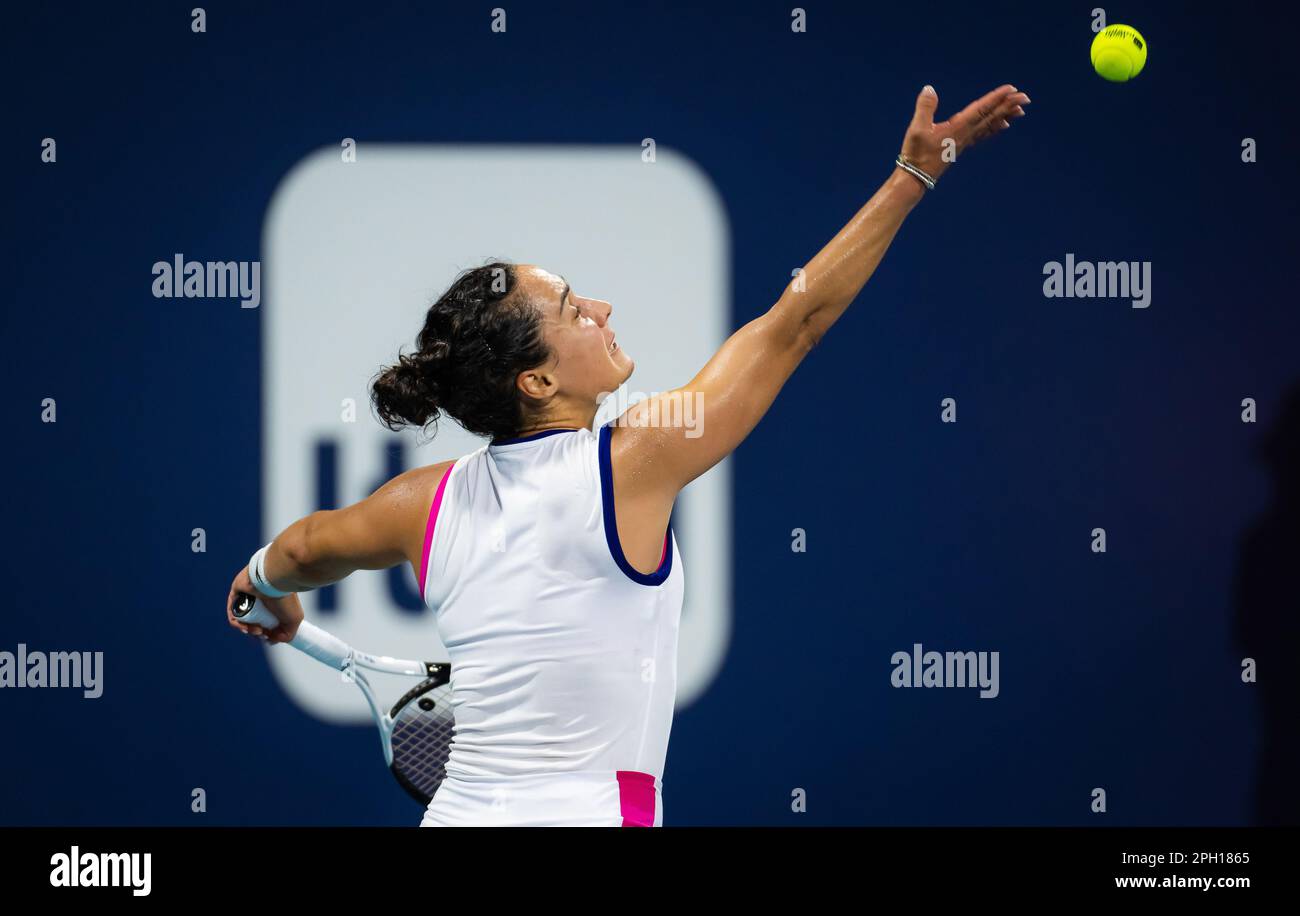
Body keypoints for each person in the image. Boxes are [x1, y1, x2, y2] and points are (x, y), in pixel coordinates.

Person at [226, 83, 1031, 825]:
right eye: (575, 308)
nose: (603, 308)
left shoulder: (419, 503)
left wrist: (263, 583)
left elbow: (303, 548)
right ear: (535, 379)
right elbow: (794, 324)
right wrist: (911, 177)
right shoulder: (635, 457)